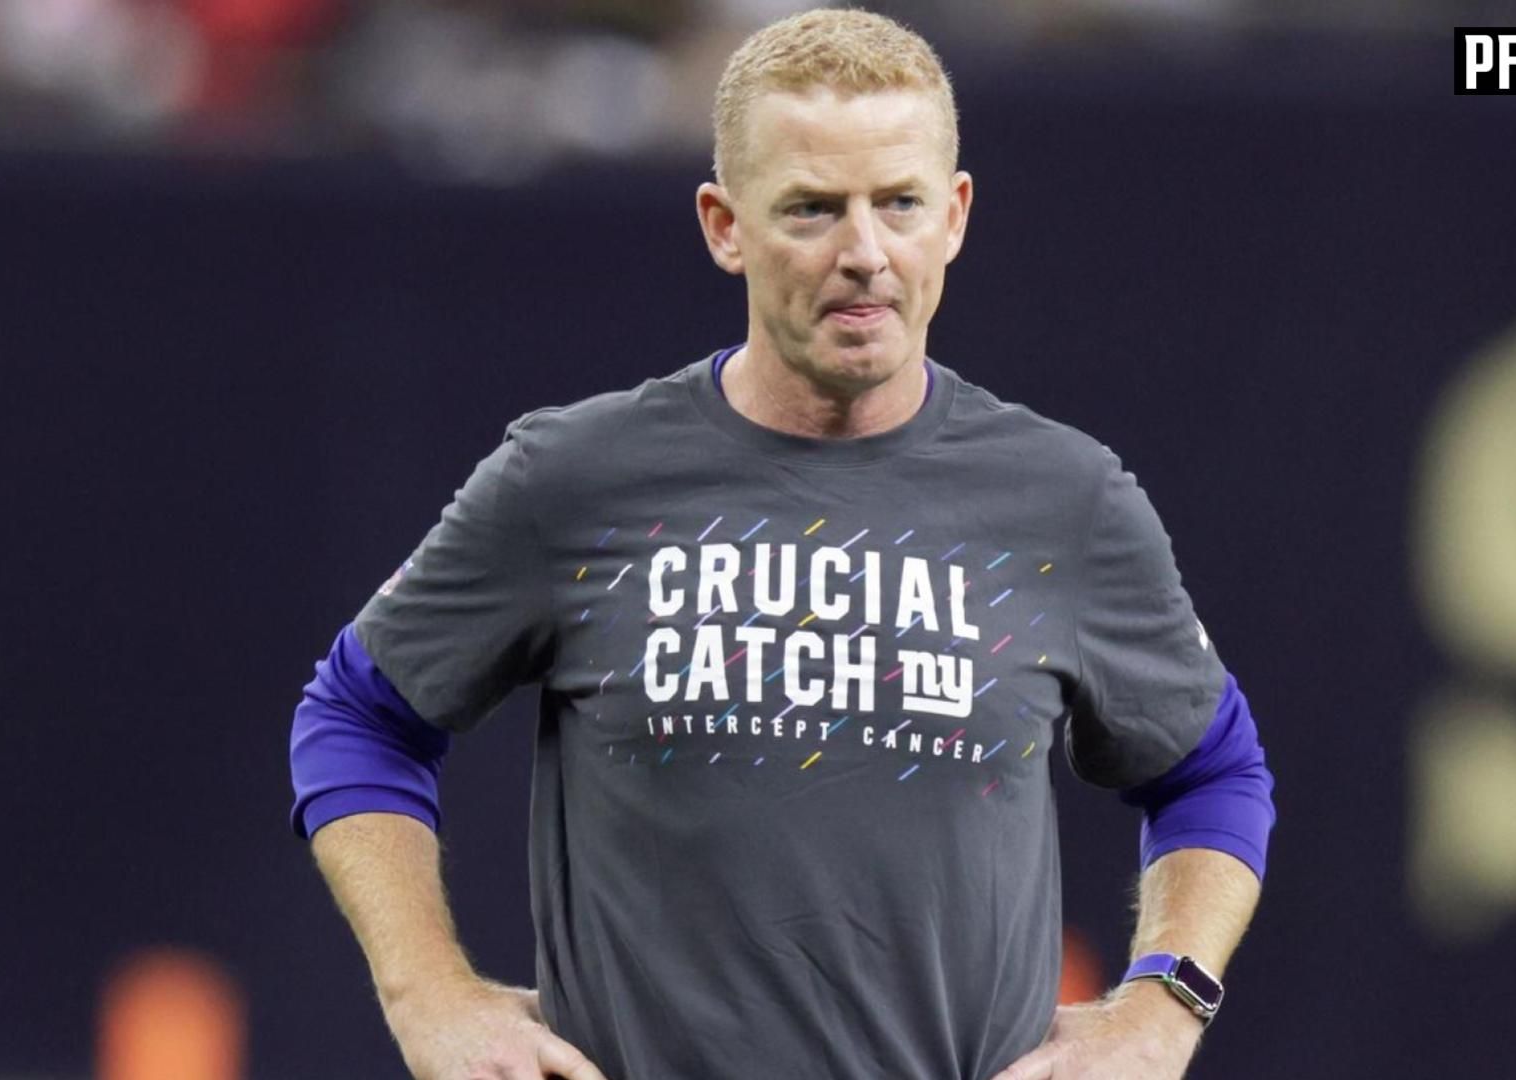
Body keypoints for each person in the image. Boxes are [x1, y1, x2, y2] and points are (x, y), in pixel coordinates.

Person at [288, 9, 1275, 1079]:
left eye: (899, 203)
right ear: (724, 224)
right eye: (812, 209)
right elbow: (358, 718)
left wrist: (1163, 1005)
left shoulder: (1067, 501)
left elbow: (1212, 771)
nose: (864, 253)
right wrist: (427, 994)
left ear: (954, 215)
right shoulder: (572, 479)